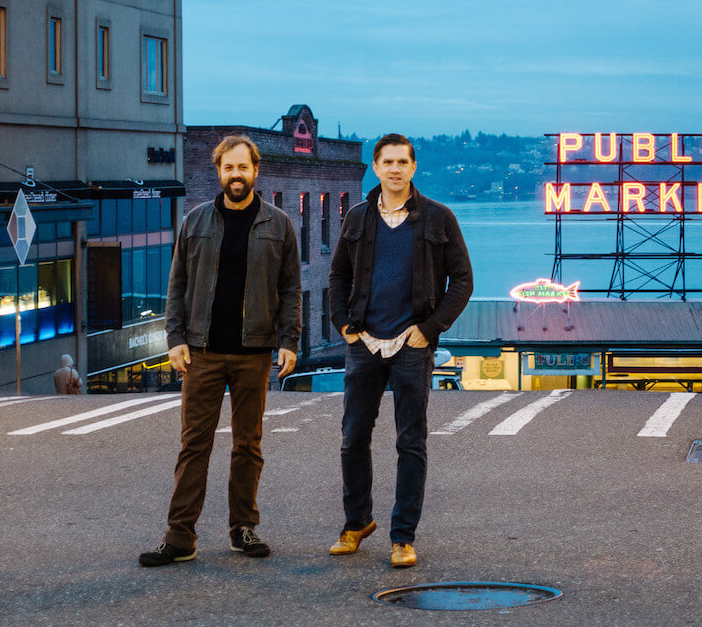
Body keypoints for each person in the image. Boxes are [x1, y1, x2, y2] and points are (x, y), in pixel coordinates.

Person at [140, 134, 301, 568]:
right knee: (194, 445)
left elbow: (290, 290)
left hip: (254, 352)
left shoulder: (279, 225)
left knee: (248, 444)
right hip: (202, 351)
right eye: (228, 168)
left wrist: (290, 341)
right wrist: (174, 339)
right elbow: (177, 287)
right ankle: (180, 538)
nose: (235, 175)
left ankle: (243, 529)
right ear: (218, 171)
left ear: (255, 169)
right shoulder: (195, 222)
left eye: (242, 167)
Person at [327, 133, 473, 568]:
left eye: (402, 162)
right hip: (364, 344)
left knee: (411, 442)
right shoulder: (357, 217)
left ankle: (403, 537)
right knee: (353, 437)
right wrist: (345, 327)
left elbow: (462, 281)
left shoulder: (438, 218)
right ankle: (356, 525)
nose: (395, 169)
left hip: (411, 346)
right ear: (376, 166)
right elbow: (337, 277)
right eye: (387, 161)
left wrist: (429, 330)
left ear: (413, 168)